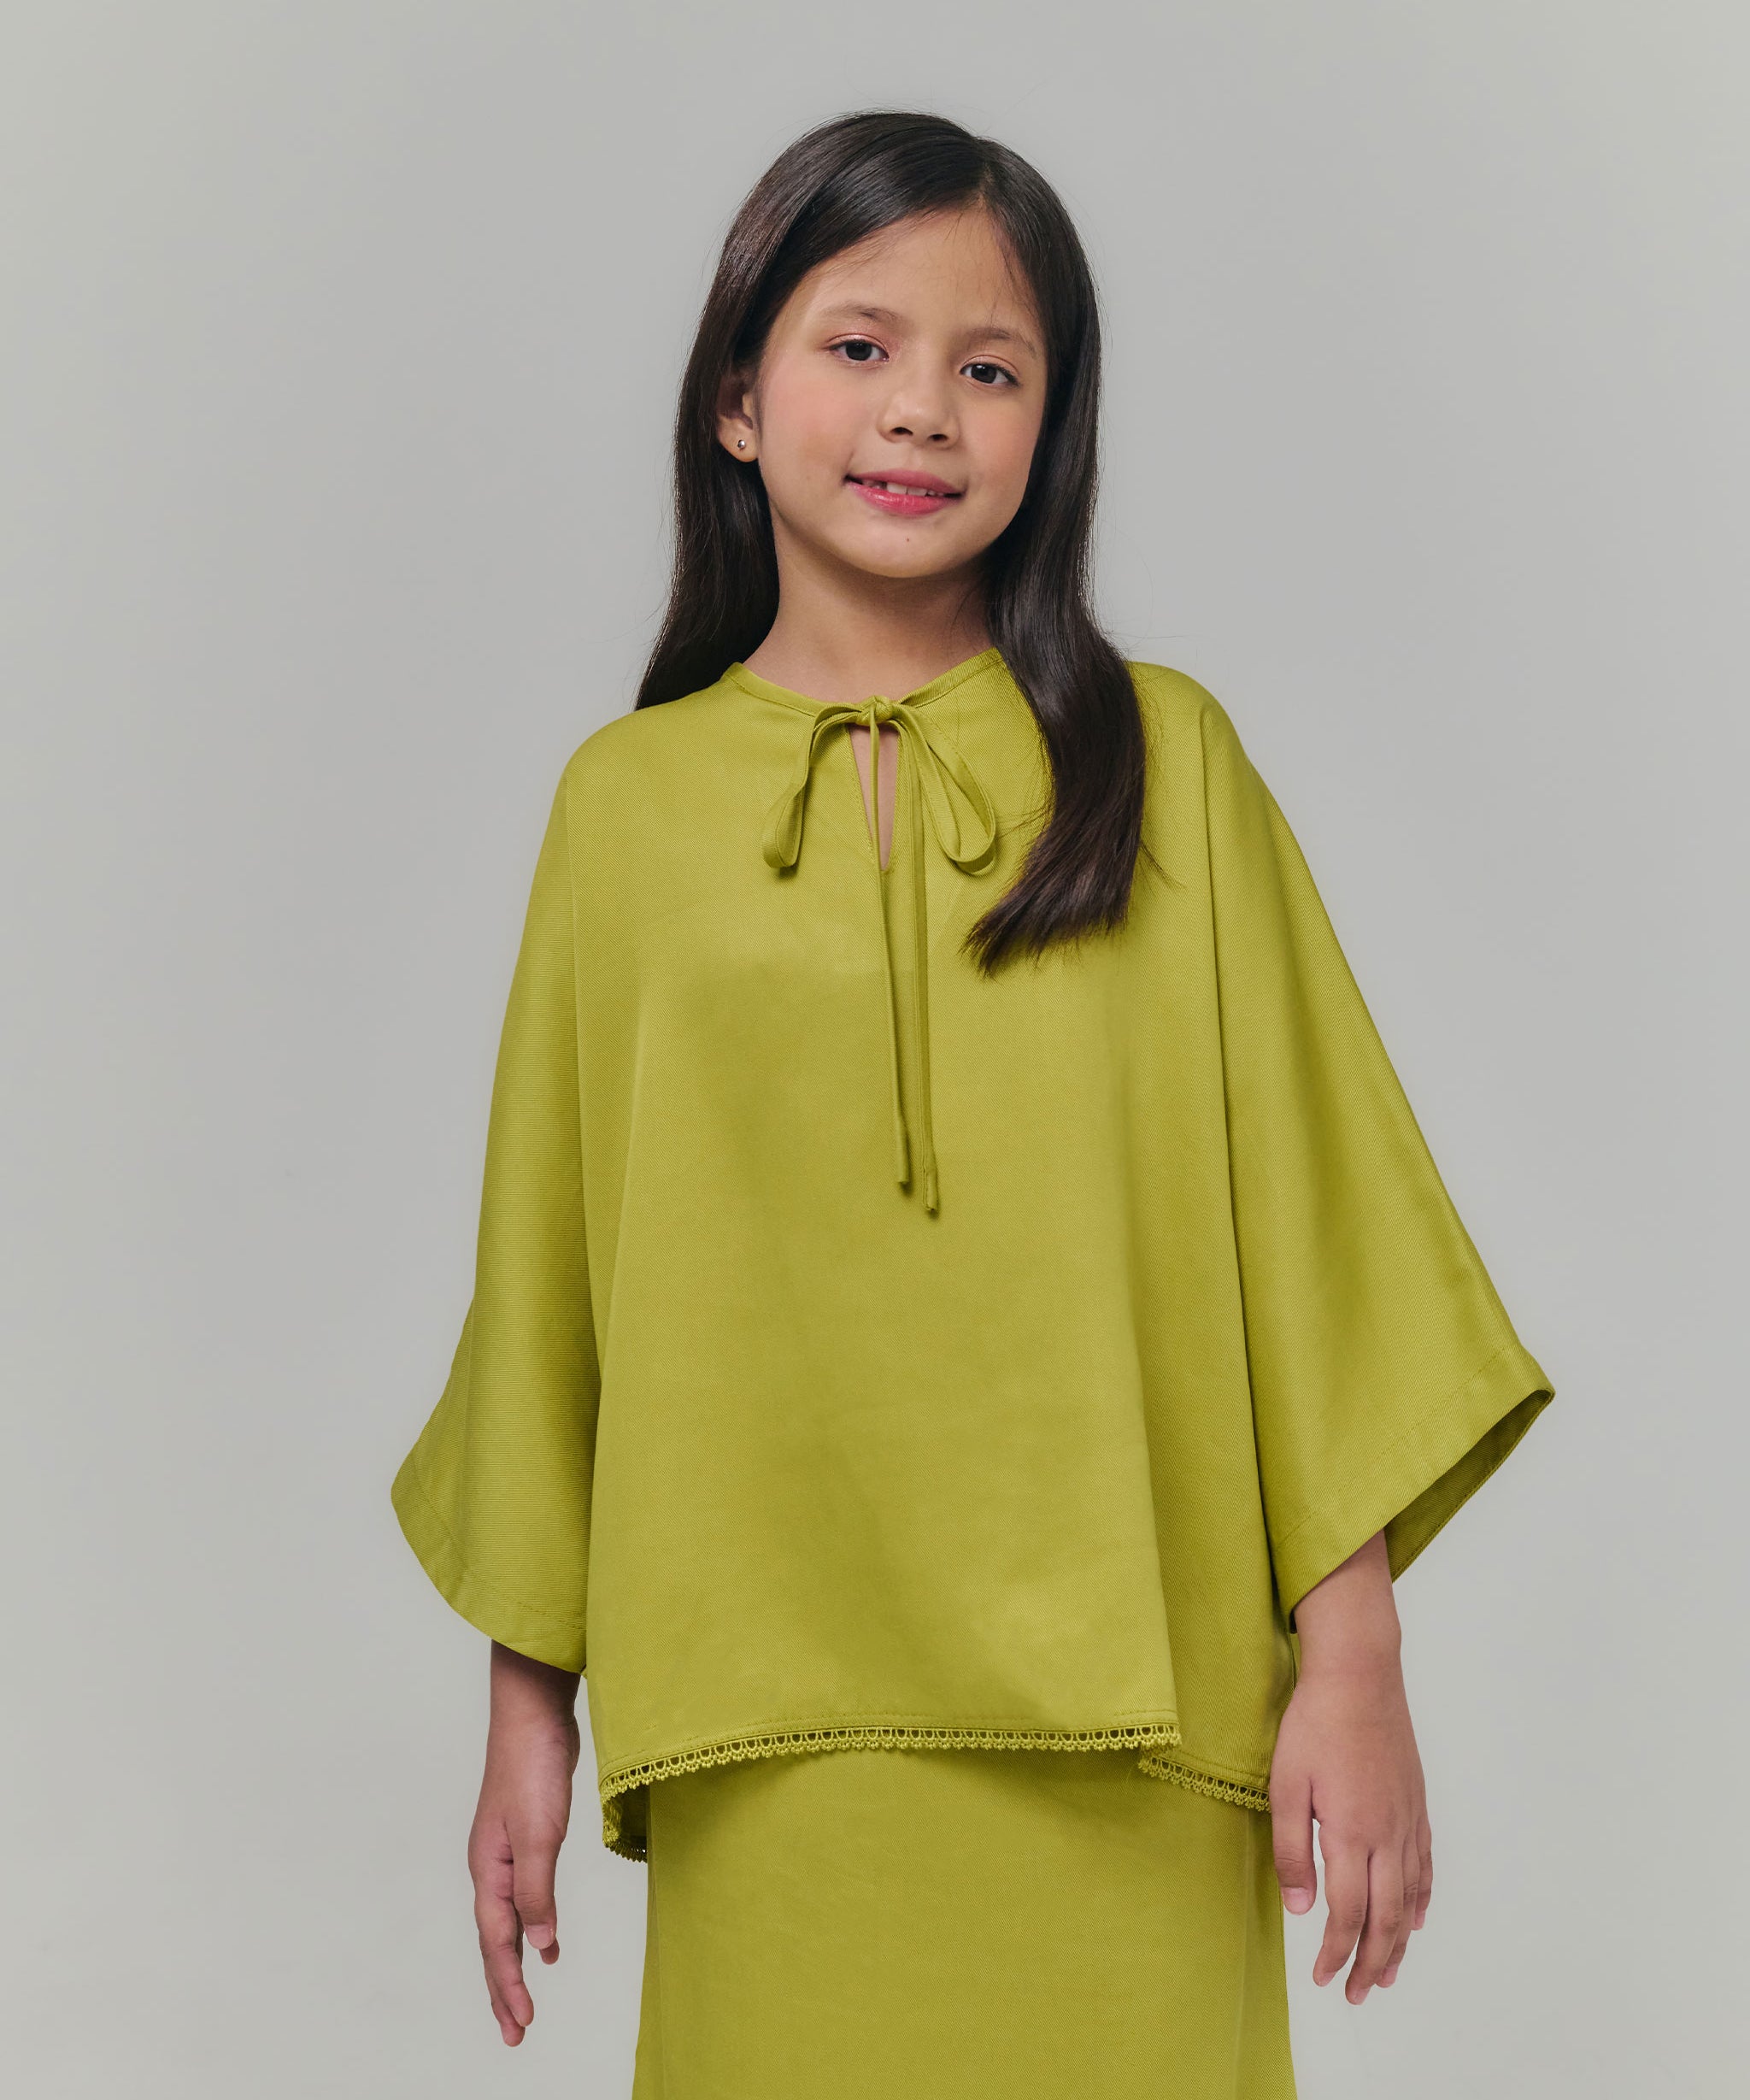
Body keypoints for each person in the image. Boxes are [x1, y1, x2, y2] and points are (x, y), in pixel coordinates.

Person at [390, 109, 1554, 2097]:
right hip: (763, 1725)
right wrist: (526, 1708)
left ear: (1050, 429)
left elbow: (1311, 1233)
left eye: (990, 368)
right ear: (736, 397)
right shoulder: (623, 810)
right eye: (858, 345)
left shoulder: (1163, 760)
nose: (920, 408)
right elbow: (552, 1274)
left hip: (1141, 1721)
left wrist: (1354, 1661)